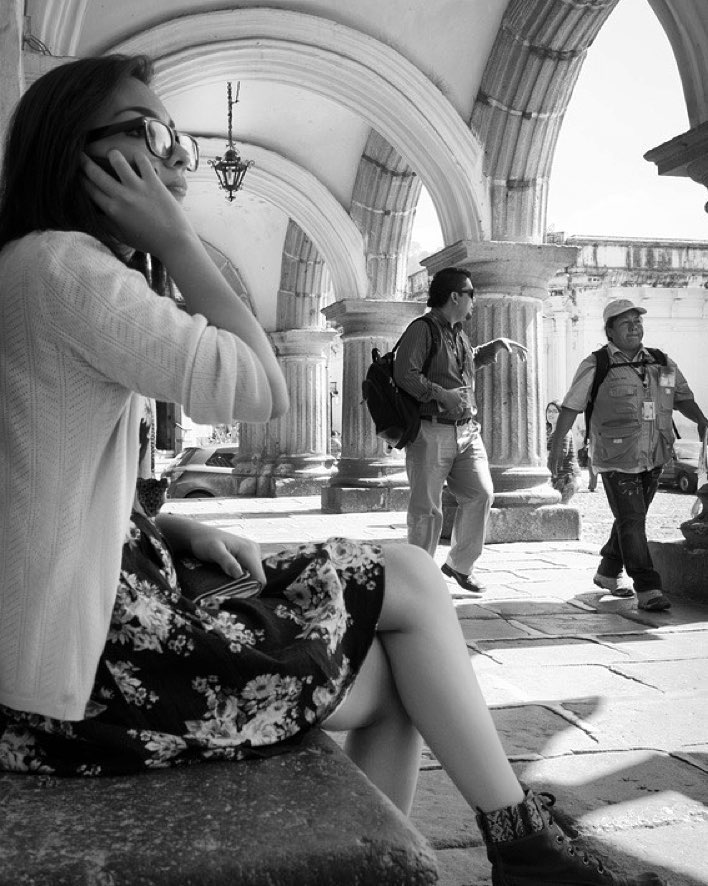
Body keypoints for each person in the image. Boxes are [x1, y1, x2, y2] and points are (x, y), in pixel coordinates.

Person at [0, 57, 664, 886]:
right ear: (84, 157)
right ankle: (520, 845)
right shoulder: (64, 268)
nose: (177, 157)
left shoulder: (40, 269)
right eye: (153, 132)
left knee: (408, 624)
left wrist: (165, 522)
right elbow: (259, 384)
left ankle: (512, 844)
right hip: (79, 672)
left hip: (99, 616)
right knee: (409, 624)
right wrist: (177, 238)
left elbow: (33, 471)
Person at [549, 298, 708, 611]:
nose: (635, 327)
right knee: (633, 519)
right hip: (615, 457)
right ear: (610, 330)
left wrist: (701, 421)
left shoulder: (661, 362)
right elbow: (571, 407)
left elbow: (681, 398)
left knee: (631, 518)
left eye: (638, 322)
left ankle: (608, 571)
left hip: (655, 454)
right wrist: (556, 444)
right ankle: (648, 587)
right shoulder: (597, 364)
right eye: (626, 323)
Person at [393, 267, 527, 594]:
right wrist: (442, 395)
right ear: (455, 296)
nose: (474, 302)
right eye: (471, 295)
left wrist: (489, 350)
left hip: (467, 432)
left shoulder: (458, 333)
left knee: (480, 493)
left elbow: (457, 368)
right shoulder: (422, 329)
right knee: (427, 508)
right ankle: (420, 580)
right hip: (431, 430)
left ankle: (459, 565)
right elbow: (404, 374)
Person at [546, 400, 581, 503]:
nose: (550, 414)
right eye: (549, 411)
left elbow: (560, 454)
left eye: (555, 411)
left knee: (558, 509)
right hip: (559, 478)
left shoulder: (563, 432)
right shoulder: (549, 432)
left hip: (567, 478)